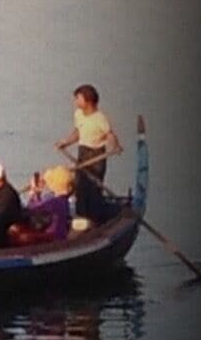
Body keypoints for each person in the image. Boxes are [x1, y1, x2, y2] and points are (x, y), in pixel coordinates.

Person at [53, 84, 122, 223]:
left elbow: (109, 135)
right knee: (80, 185)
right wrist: (66, 142)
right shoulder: (78, 114)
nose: (75, 102)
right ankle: (81, 219)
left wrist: (115, 146)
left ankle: (95, 220)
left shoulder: (100, 118)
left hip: (96, 155)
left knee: (93, 188)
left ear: (88, 101)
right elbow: (78, 131)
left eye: (78, 98)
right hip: (83, 152)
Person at [12, 167, 76, 245]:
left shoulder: (55, 202)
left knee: (15, 231)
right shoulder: (64, 200)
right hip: (58, 236)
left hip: (51, 239)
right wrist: (37, 194)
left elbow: (31, 209)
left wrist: (33, 192)